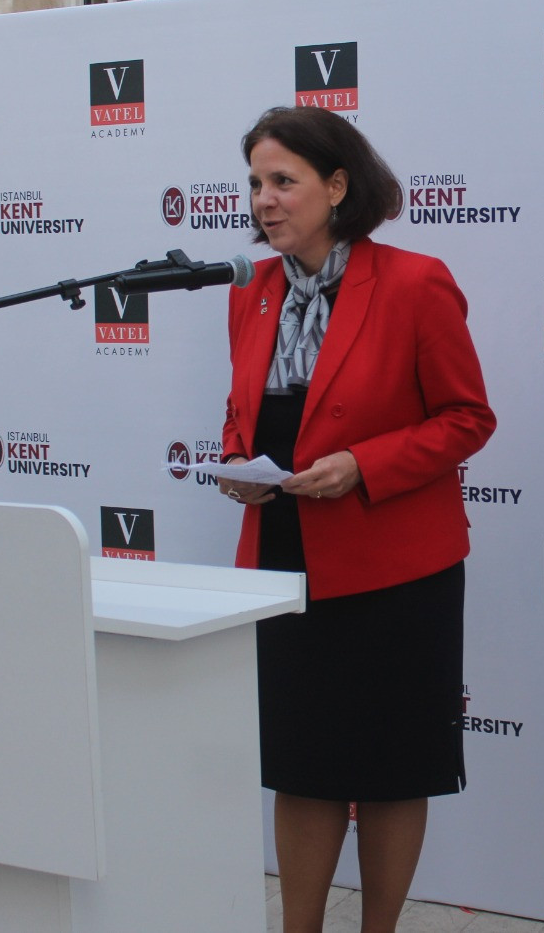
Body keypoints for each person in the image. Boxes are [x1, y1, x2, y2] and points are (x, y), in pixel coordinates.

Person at [217, 106, 496, 933]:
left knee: (388, 768)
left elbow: (466, 418)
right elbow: (246, 413)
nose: (264, 200)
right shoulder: (252, 289)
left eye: (283, 181)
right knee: (301, 765)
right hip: (283, 558)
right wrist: (237, 464)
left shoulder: (414, 282)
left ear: (337, 186)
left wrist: (363, 466)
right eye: (255, 183)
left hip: (393, 569)